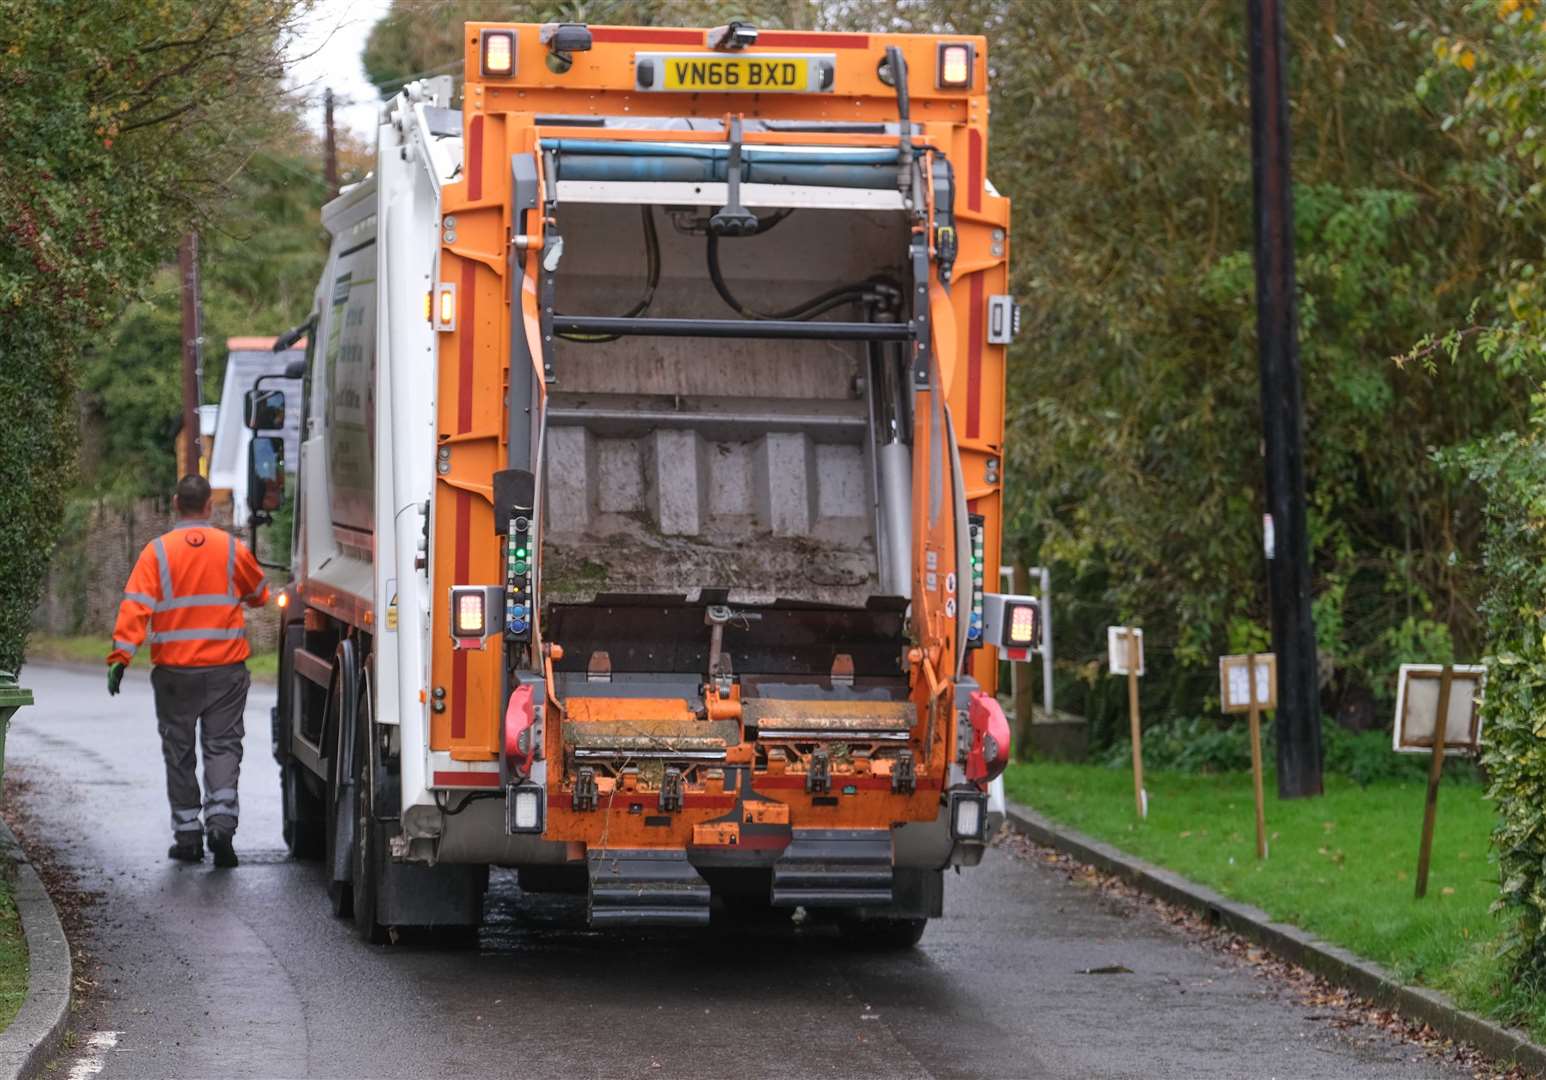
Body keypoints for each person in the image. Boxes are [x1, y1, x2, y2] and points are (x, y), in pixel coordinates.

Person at [107, 475, 270, 868]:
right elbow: (261, 594)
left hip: (174, 674)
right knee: (223, 746)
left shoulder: (157, 553)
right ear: (209, 507)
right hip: (225, 671)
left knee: (179, 752)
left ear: (175, 503)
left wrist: (120, 658)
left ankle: (187, 835)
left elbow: (135, 607)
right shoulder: (231, 549)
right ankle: (221, 824)